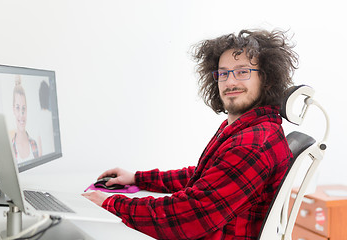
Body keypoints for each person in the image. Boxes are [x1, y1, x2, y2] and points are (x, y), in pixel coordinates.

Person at [83, 29, 298, 239]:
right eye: (223, 73)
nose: (230, 82)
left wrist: (109, 203)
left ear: (267, 79)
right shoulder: (247, 129)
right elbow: (206, 179)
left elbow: (190, 215)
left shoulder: (253, 144)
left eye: (242, 72)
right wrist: (138, 178)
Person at [12, 76, 39, 163]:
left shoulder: (34, 144)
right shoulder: (10, 149)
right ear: (13, 110)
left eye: (24, 108)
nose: (21, 114)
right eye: (17, 108)